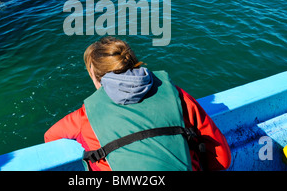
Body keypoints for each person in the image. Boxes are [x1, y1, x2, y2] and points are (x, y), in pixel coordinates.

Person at [44, 36, 231, 171]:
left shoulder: (84, 116)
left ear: (96, 78)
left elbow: (50, 137)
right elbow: (222, 159)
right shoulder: (176, 95)